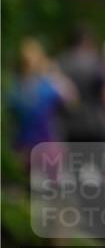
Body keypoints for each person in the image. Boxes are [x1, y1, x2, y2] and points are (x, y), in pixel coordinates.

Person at [9, 37, 77, 167]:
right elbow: (72, 99)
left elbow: (71, 100)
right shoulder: (44, 86)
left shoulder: (20, 87)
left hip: (36, 146)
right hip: (33, 147)